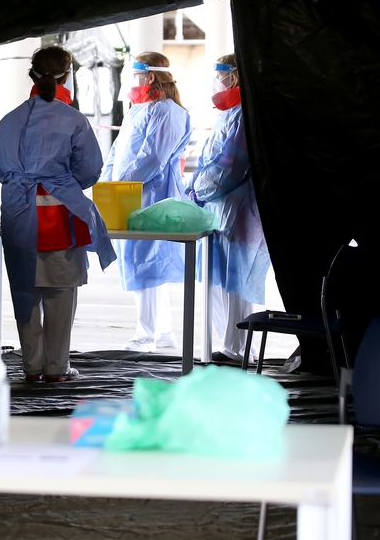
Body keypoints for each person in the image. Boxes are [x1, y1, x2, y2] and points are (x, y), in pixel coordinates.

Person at [0, 46, 116, 383]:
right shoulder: (74, 120)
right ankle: (57, 368)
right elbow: (90, 170)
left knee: (25, 289)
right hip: (60, 218)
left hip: (19, 214)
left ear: (32, 74)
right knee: (60, 294)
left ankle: (31, 367)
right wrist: (59, 181)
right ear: (67, 75)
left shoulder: (8, 120)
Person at [102, 52, 192, 352]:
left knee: (148, 264)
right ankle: (162, 333)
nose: (131, 82)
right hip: (128, 196)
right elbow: (118, 150)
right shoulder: (137, 110)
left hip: (151, 196)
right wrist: (106, 183)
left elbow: (153, 158)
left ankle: (147, 335)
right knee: (139, 263)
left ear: (150, 76)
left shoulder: (167, 111)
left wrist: (122, 182)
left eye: (135, 74)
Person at [187, 54, 271, 363]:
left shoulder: (244, 115)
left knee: (237, 279)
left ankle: (237, 349)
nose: (216, 81)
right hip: (219, 207)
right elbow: (211, 158)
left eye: (220, 75)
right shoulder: (226, 113)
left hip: (240, 208)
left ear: (234, 76)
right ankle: (225, 344)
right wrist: (196, 187)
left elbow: (232, 164)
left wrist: (201, 188)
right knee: (217, 277)